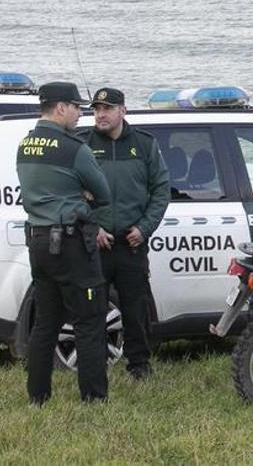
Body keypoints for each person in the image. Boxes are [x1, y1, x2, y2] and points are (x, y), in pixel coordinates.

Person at [16, 82, 113, 404]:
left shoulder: (25, 145)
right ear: (60, 108)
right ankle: (94, 398)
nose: (80, 112)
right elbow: (104, 195)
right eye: (75, 106)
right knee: (89, 320)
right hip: (72, 244)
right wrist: (81, 199)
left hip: (40, 243)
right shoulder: (74, 148)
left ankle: (38, 396)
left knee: (45, 323)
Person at [81, 87, 170, 381]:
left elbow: (161, 191)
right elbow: (72, 194)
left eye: (107, 108)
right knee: (93, 309)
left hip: (131, 243)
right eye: (96, 109)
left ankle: (139, 366)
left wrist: (144, 229)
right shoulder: (84, 145)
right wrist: (93, 227)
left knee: (136, 308)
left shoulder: (144, 144)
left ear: (123, 111)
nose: (101, 114)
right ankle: (93, 367)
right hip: (97, 243)